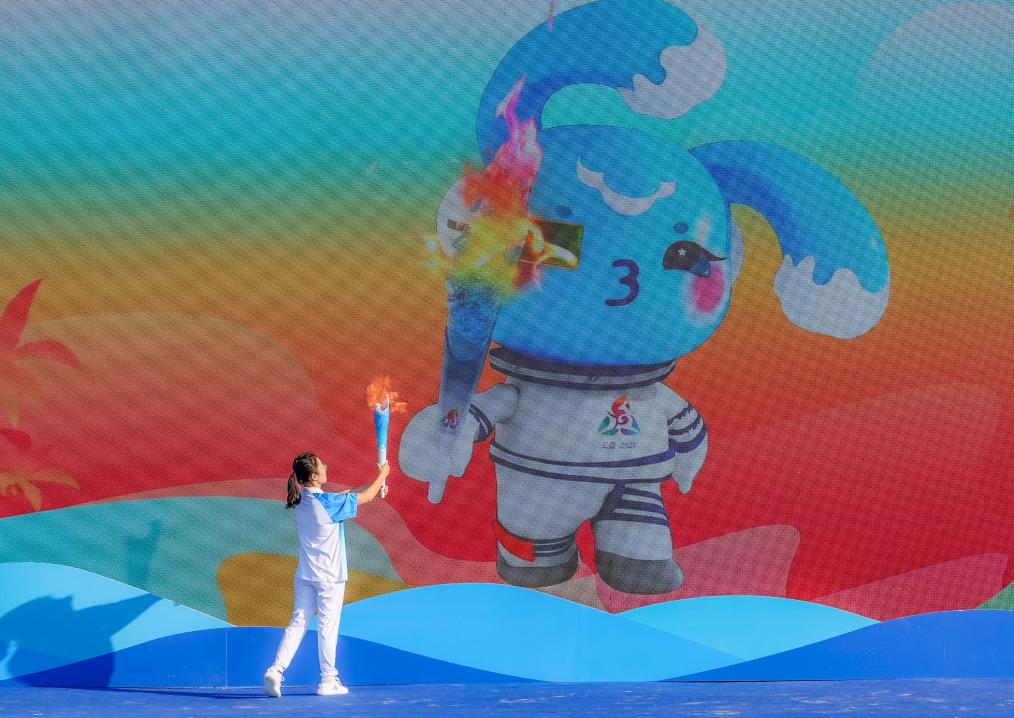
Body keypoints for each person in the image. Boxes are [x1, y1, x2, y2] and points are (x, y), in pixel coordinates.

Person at [263, 452, 390, 698]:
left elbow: (348, 495)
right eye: (322, 465)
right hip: (330, 576)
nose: (326, 466)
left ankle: (276, 670)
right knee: (327, 627)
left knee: (298, 623)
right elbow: (364, 497)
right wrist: (383, 474)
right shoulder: (328, 503)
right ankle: (328, 680)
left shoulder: (303, 499)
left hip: (306, 574)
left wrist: (376, 483)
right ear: (314, 476)